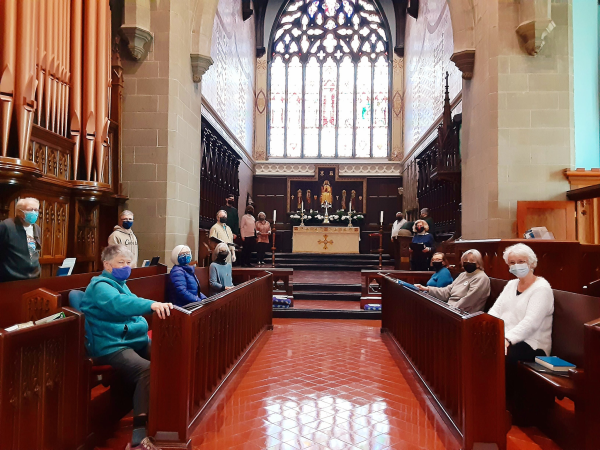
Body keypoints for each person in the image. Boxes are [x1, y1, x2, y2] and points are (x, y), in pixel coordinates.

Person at [80, 244, 173, 450]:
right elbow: (121, 304)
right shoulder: (100, 286)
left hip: (130, 339)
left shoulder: (120, 283)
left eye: (129, 263)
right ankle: (139, 437)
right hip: (111, 345)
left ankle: (164, 414)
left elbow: (132, 302)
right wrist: (152, 305)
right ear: (107, 265)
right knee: (145, 370)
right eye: (121, 262)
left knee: (167, 356)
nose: (126, 266)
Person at [488, 244, 554, 362]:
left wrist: (507, 339)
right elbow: (495, 310)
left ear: (531, 263)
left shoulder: (541, 288)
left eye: (520, 261)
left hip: (532, 343)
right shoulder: (511, 284)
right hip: (505, 337)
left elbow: (531, 322)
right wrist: (487, 328)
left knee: (497, 354)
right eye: (512, 263)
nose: (516, 265)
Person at [415, 249, 490, 313]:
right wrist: (427, 289)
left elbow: (468, 301)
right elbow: (447, 291)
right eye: (465, 260)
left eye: (471, 260)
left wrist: (448, 309)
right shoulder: (463, 275)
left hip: (464, 314)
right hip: (450, 309)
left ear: (478, 263)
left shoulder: (481, 278)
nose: (468, 262)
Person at [0, 197, 42, 282]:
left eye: (36, 210)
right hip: (11, 279)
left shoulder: (36, 228)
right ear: (19, 212)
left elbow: (35, 251)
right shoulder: (6, 226)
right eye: (30, 210)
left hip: (34, 278)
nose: (34, 213)